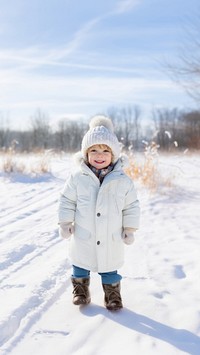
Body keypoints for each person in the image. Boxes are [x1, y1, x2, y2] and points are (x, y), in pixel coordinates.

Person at [58, 115, 140, 311]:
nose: (99, 155)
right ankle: (80, 290)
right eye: (93, 150)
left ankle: (112, 294)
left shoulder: (123, 180)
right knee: (79, 263)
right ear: (86, 154)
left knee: (110, 266)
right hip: (84, 233)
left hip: (111, 235)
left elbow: (131, 206)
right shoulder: (78, 178)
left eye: (105, 150)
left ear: (114, 155)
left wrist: (130, 228)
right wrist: (65, 223)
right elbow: (67, 200)